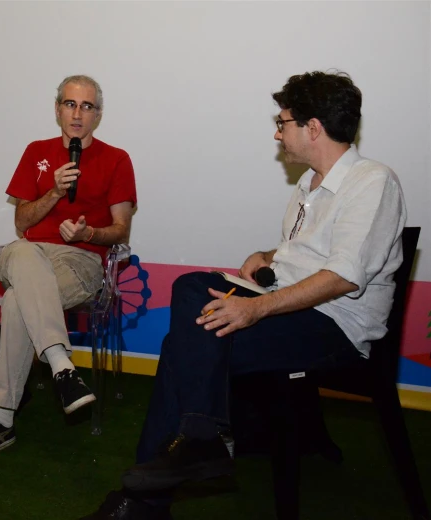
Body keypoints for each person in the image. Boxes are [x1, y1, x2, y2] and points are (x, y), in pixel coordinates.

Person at [83, 71, 407, 519]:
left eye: (284, 122)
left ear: (313, 128)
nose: (278, 133)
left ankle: (155, 491)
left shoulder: (373, 181)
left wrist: (255, 308)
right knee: (191, 286)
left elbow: (343, 275)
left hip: (334, 327)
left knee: (180, 345)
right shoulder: (309, 186)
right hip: (293, 308)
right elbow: (314, 253)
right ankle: (201, 439)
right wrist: (270, 254)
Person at [0, 75, 137, 460]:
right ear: (57, 109)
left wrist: (89, 231)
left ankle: (1, 419)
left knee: (19, 301)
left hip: (81, 261)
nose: (77, 113)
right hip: (28, 254)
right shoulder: (36, 150)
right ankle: (62, 366)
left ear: (98, 115)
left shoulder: (117, 159)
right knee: (20, 251)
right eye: (70, 104)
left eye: (87, 106)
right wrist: (54, 191)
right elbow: (21, 225)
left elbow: (120, 232)